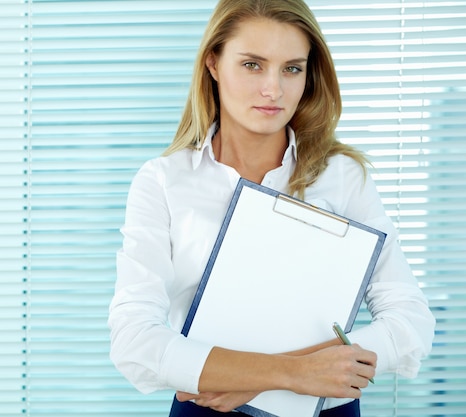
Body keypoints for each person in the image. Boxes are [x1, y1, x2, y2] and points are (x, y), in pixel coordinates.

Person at [108, 0, 435, 416]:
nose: (273, 89)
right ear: (213, 62)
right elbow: (134, 341)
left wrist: (255, 379)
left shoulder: (343, 176)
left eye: (292, 68)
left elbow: (410, 324)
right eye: (252, 65)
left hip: (326, 408)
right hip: (209, 408)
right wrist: (292, 373)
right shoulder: (164, 182)